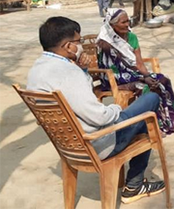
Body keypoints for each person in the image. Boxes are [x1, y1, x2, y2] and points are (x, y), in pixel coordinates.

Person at [27, 16, 165, 204]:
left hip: (69, 146)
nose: (81, 45)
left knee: (139, 117)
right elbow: (100, 117)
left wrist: (83, 70)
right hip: (98, 143)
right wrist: (117, 108)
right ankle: (134, 184)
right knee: (150, 100)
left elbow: (78, 99)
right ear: (68, 46)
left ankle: (134, 182)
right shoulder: (68, 72)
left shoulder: (37, 69)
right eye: (79, 41)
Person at [97, 8, 174, 136]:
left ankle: (168, 120)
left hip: (133, 74)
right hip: (114, 78)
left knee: (161, 80)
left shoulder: (132, 37)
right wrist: (144, 79)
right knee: (144, 87)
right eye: (123, 22)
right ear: (112, 25)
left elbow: (138, 63)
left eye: (128, 21)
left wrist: (148, 76)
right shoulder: (105, 42)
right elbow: (113, 67)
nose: (127, 24)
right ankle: (152, 126)